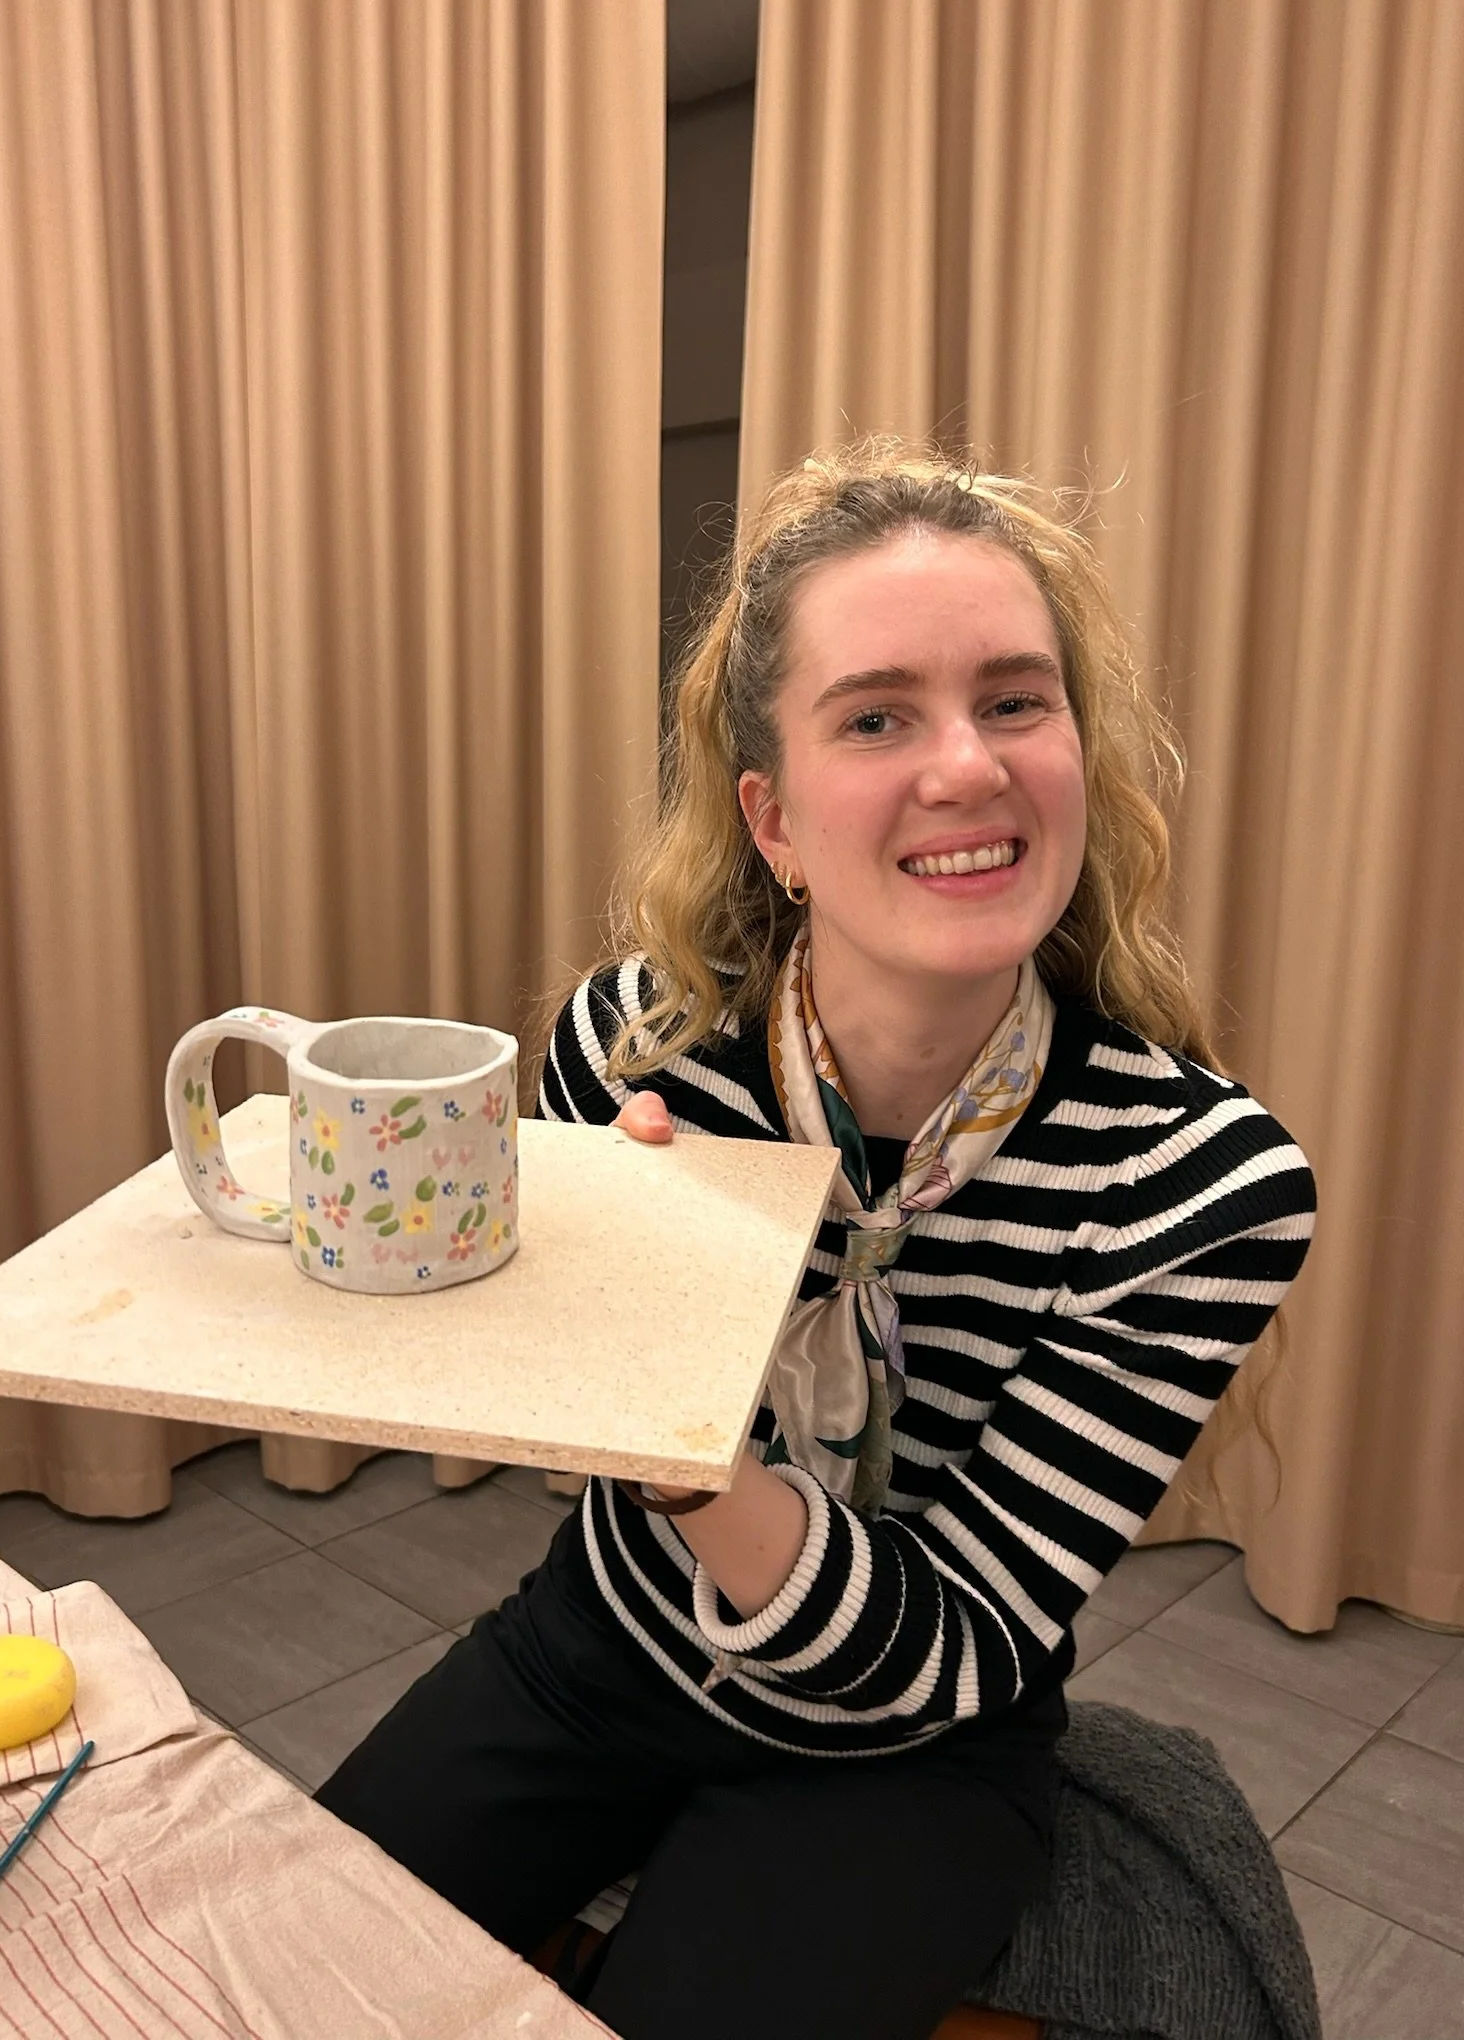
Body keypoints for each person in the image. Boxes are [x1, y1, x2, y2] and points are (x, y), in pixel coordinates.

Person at [316, 442, 1317, 2040]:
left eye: (1014, 700)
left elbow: (962, 1638)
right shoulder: (637, 1053)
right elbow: (556, 1437)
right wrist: (565, 1299)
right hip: (598, 1650)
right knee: (284, 1978)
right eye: (877, 717)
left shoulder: (1201, 1186)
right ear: (771, 821)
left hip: (915, 1758)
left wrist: (679, 1415)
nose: (968, 768)